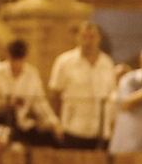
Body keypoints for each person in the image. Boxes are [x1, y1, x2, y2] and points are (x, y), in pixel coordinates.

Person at [47, 21, 115, 150]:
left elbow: (111, 96)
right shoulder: (64, 62)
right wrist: (56, 123)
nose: (88, 41)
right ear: (78, 38)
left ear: (99, 39)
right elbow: (55, 95)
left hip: (100, 131)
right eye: (84, 37)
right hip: (73, 129)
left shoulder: (107, 63)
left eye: (92, 37)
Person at [0, 38, 60, 146]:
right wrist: (6, 105)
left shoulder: (32, 74)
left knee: (50, 137)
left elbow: (40, 103)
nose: (16, 63)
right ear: (8, 56)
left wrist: (53, 122)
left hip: (23, 124)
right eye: (13, 58)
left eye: (19, 59)